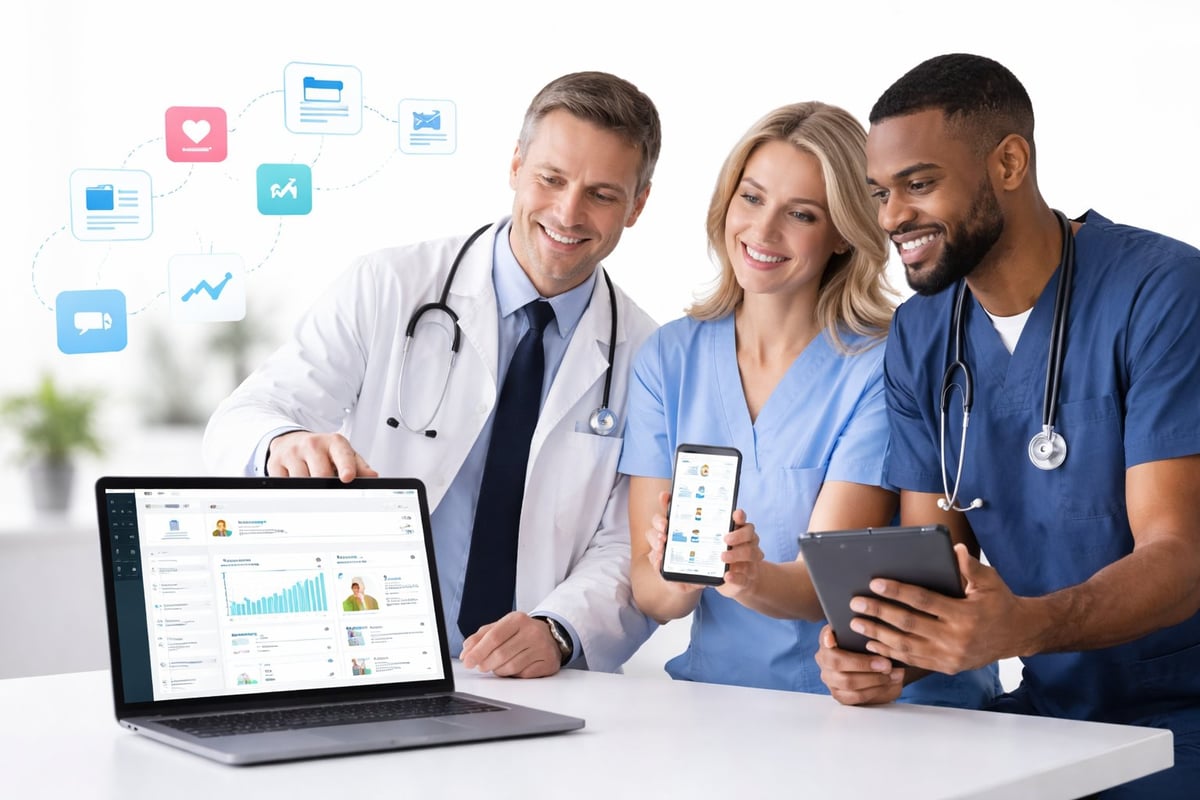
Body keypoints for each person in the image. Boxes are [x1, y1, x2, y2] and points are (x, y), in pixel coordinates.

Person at [815, 53, 1200, 797]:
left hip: (1179, 719)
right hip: (1046, 717)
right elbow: (938, 569)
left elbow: (1181, 556)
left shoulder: (1162, 294)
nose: (893, 216)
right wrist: (891, 653)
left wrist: (1023, 626)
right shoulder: (922, 336)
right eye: (880, 193)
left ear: (1010, 162)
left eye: (919, 184)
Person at [203, 71, 662, 679]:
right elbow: (246, 414)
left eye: (602, 193)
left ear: (637, 205)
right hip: (366, 654)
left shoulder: (649, 355)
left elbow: (632, 542)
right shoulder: (388, 286)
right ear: (516, 166)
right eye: (551, 179)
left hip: (538, 677)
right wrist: (284, 442)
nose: (568, 211)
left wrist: (560, 628)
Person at [619, 102, 999, 705]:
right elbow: (649, 591)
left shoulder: (884, 364)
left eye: (800, 214)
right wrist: (684, 569)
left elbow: (827, 583)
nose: (763, 232)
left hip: (876, 701)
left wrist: (745, 576)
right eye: (751, 198)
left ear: (845, 233)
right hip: (723, 698)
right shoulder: (668, 358)